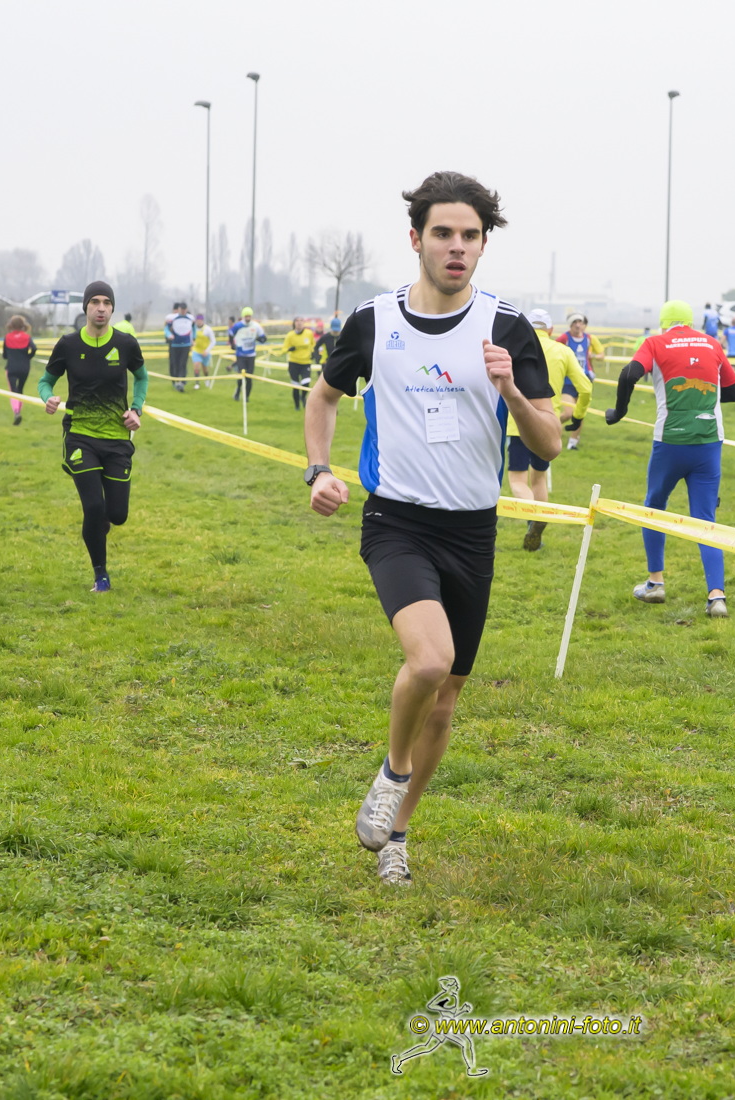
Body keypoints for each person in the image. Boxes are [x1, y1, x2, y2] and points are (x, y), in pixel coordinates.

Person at [303, 171, 558, 886]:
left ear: (483, 245)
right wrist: (318, 470)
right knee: (428, 663)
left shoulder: (507, 328)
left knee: (444, 704)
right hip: (398, 522)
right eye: (443, 233)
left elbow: (549, 443)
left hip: (473, 532)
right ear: (415, 239)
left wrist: (512, 390)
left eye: (470, 236)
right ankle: (392, 772)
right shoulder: (374, 321)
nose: (456, 247)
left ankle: (397, 837)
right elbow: (323, 399)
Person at [604, 298, 735, 617]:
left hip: (670, 441)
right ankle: (717, 597)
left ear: (664, 323)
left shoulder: (655, 343)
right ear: (691, 322)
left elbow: (628, 374)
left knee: (654, 507)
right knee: (705, 519)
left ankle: (655, 584)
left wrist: (620, 411)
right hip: (709, 441)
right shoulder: (711, 343)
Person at [39, 280, 148, 593]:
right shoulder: (68, 345)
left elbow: (141, 377)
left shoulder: (126, 344)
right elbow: (45, 381)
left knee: (117, 515)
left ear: (112, 308)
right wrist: (48, 398)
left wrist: (136, 409)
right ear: (85, 307)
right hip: (80, 435)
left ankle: (99, 527)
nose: (101, 308)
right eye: (95, 302)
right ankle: (101, 575)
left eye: (106, 303)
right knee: (94, 508)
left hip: (116, 438)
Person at [507, 309, 590, 551]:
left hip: (518, 423)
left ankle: (534, 517)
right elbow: (585, 388)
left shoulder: (513, 349)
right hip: (547, 424)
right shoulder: (563, 351)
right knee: (539, 477)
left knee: (517, 479)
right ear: (551, 330)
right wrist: (578, 416)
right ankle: (538, 522)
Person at [557, 312, 603, 451]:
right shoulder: (564, 338)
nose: (578, 325)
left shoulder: (589, 339)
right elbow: (553, 350)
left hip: (584, 380)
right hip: (567, 381)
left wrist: (593, 356)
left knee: (580, 414)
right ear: (570, 325)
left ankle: (573, 443)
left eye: (580, 322)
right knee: (568, 413)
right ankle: (550, 426)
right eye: (574, 323)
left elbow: (601, 355)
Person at [2, 315, 37, 425]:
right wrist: (28, 357)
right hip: (25, 368)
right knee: (20, 389)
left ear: (11, 325)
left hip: (11, 367)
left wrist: (10, 355)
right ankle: (18, 411)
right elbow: (34, 348)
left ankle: (17, 412)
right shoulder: (27, 337)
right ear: (23, 325)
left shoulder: (7, 337)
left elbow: (4, 355)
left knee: (13, 390)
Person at [229, 306, 266, 400]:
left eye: (249, 316)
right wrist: (232, 344)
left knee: (249, 377)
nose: (248, 318)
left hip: (251, 355)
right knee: (241, 375)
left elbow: (263, 337)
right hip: (240, 355)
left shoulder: (256, 326)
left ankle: (247, 397)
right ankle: (238, 392)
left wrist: (260, 339)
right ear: (243, 316)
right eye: (246, 316)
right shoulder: (238, 326)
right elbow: (230, 333)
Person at [280, 316, 316, 410]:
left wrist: (313, 353)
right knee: (295, 385)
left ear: (304, 323)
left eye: (301, 321)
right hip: (294, 363)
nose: (299, 323)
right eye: (297, 321)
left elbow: (313, 344)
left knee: (306, 383)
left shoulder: (309, 333)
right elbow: (283, 349)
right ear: (294, 323)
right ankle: (297, 406)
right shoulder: (290, 335)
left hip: (306, 363)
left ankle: (303, 397)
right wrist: (289, 349)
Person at [163, 302, 194, 393]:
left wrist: (193, 339)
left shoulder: (190, 318)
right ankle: (175, 380)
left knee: (183, 363)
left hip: (186, 344)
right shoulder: (172, 318)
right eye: (181, 310)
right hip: (175, 344)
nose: (183, 311)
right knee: (175, 363)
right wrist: (169, 335)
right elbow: (166, 328)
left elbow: (193, 329)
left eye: (184, 310)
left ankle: (181, 381)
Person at [190, 313, 214, 390]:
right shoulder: (193, 329)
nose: (199, 322)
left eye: (200, 320)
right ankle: (197, 383)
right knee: (196, 365)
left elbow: (213, 341)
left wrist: (207, 351)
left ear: (203, 321)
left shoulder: (208, 329)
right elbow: (190, 338)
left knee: (204, 368)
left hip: (205, 352)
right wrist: (192, 343)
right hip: (196, 351)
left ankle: (206, 379)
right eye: (197, 320)